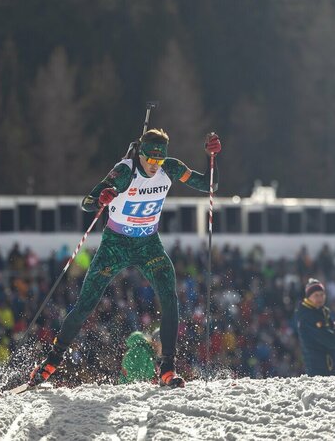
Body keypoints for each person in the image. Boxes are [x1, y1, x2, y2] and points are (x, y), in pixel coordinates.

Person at [27, 128, 222, 388]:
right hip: (115, 244)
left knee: (169, 296)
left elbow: (210, 185)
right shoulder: (124, 172)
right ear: (141, 155)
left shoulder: (171, 168)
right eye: (150, 159)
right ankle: (49, 364)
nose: (155, 165)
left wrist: (212, 158)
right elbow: (87, 202)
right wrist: (101, 199)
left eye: (159, 159)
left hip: (148, 244)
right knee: (86, 304)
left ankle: (167, 368)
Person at [295, 278, 335, 376]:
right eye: (316, 295)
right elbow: (330, 340)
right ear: (308, 297)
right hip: (319, 370)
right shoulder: (307, 315)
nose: (320, 298)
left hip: (330, 368)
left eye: (322, 295)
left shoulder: (323, 311)